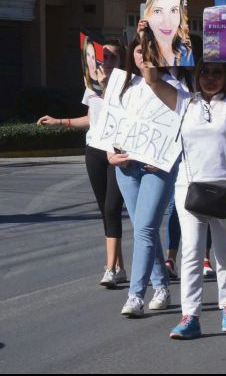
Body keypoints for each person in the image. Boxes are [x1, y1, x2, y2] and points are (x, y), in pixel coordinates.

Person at [140, 14, 226, 339]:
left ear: (225, 76)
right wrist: (147, 39)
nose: (209, 77)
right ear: (196, 75)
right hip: (189, 188)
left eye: (216, 72)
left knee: (225, 252)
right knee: (191, 253)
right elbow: (151, 78)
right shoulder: (184, 101)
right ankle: (190, 316)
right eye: (204, 71)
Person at [109, 36, 188, 317]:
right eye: (140, 51)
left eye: (149, 51)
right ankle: (162, 286)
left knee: (144, 229)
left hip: (157, 168)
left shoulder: (174, 86)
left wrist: (164, 155)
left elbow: (180, 128)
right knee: (146, 228)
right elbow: (110, 124)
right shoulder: (122, 85)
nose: (143, 56)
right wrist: (110, 153)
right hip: (126, 168)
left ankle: (136, 296)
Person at [37, 40, 126, 288]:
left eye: (113, 58)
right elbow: (90, 118)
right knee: (104, 210)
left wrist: (109, 87)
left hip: (117, 152)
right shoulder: (92, 86)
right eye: (104, 57)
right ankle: (119, 266)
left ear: (122, 62)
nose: (107, 62)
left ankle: (110, 269)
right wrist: (59, 121)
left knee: (112, 208)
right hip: (94, 150)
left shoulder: (130, 87)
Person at [143, 0, 193, 67]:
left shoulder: (186, 53)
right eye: (158, 11)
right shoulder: (142, 50)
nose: (167, 21)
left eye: (173, 10)